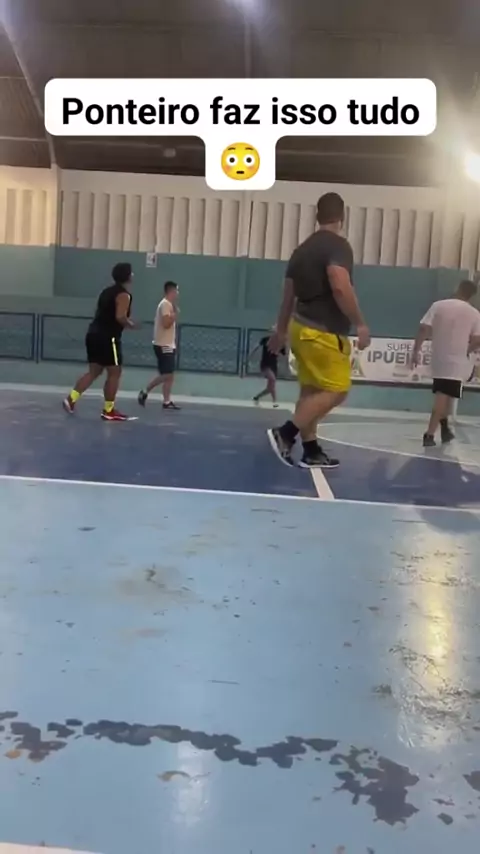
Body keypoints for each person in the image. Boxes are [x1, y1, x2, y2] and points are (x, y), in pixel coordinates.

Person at [267, 191, 370, 468]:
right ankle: (286, 433)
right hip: (323, 332)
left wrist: (280, 331)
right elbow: (339, 284)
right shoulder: (338, 246)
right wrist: (360, 322)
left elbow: (288, 296)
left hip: (300, 328)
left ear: (317, 216)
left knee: (311, 393)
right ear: (342, 217)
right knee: (338, 390)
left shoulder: (301, 251)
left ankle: (311, 450)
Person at [62, 262, 138, 421]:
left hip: (93, 334)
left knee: (94, 372)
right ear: (127, 276)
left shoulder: (106, 291)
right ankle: (109, 410)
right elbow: (120, 316)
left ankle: (71, 399)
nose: (133, 275)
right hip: (108, 337)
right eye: (131, 273)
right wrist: (131, 325)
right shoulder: (124, 295)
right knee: (115, 372)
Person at [411, 279, 480, 447]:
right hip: (457, 361)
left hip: (439, 358)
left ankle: (445, 428)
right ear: (472, 295)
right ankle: (429, 434)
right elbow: (477, 339)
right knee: (443, 396)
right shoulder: (474, 313)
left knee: (446, 395)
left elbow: (424, 328)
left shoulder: (438, 305)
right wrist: (466, 350)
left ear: (458, 288)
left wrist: (416, 350)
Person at [138, 280, 180, 410]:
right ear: (171, 291)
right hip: (164, 344)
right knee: (167, 374)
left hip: (168, 344)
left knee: (169, 375)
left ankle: (166, 401)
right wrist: (174, 315)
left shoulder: (168, 305)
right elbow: (166, 323)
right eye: (176, 291)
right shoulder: (165, 304)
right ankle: (145, 391)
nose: (177, 294)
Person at [250, 327, 285, 407]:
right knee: (272, 379)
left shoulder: (280, 342)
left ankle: (256, 397)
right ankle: (274, 402)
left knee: (270, 387)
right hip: (265, 364)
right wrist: (251, 355)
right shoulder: (265, 339)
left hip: (274, 365)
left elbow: (284, 354)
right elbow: (256, 347)